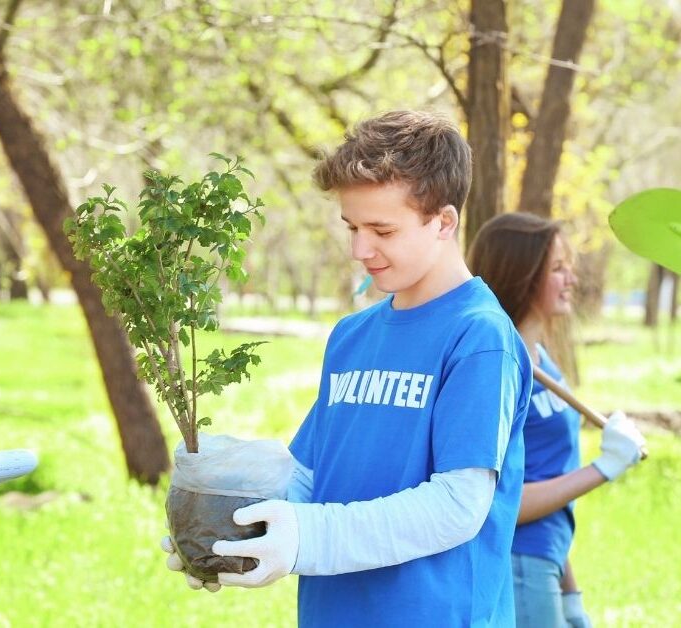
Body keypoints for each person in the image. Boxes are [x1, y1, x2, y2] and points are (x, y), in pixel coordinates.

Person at [162, 110, 533, 627]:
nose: (360, 249)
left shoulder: (479, 337)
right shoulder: (351, 337)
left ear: (443, 222)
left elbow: (457, 506)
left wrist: (308, 538)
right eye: (352, 227)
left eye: (382, 229)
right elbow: (313, 480)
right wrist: (222, 520)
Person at [468, 212, 646, 628]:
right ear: (522, 272)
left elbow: (550, 478)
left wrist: (571, 592)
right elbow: (501, 501)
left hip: (545, 560)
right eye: (558, 269)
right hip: (516, 563)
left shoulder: (542, 361)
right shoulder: (498, 367)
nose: (572, 280)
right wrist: (603, 469)